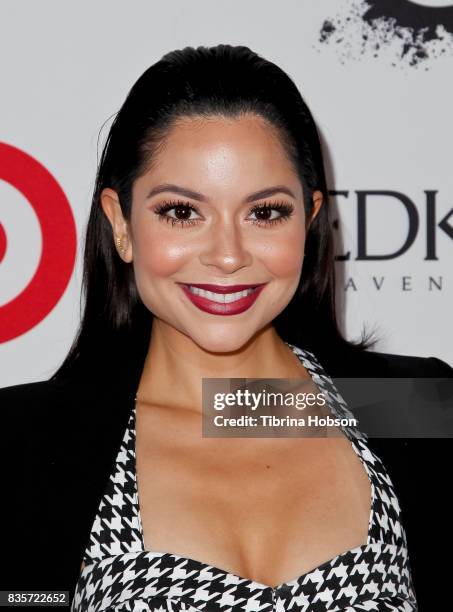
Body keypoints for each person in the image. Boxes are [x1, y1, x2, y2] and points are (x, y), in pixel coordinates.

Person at [1, 44, 452, 611]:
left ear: (310, 222)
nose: (228, 255)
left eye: (265, 213)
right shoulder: (20, 446)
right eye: (182, 212)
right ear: (121, 222)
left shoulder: (417, 406)